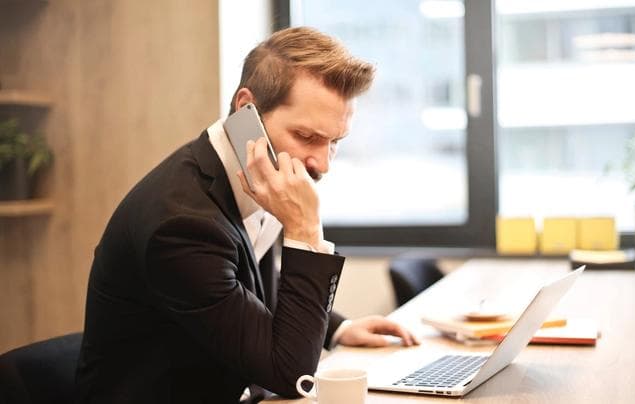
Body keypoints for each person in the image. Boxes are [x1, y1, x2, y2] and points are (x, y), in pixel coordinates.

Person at [75, 26, 418, 403]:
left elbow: (253, 286)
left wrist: (336, 329)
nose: (322, 164)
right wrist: (305, 229)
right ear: (246, 110)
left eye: (334, 142)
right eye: (306, 137)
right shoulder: (181, 226)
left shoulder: (256, 173)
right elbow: (292, 376)